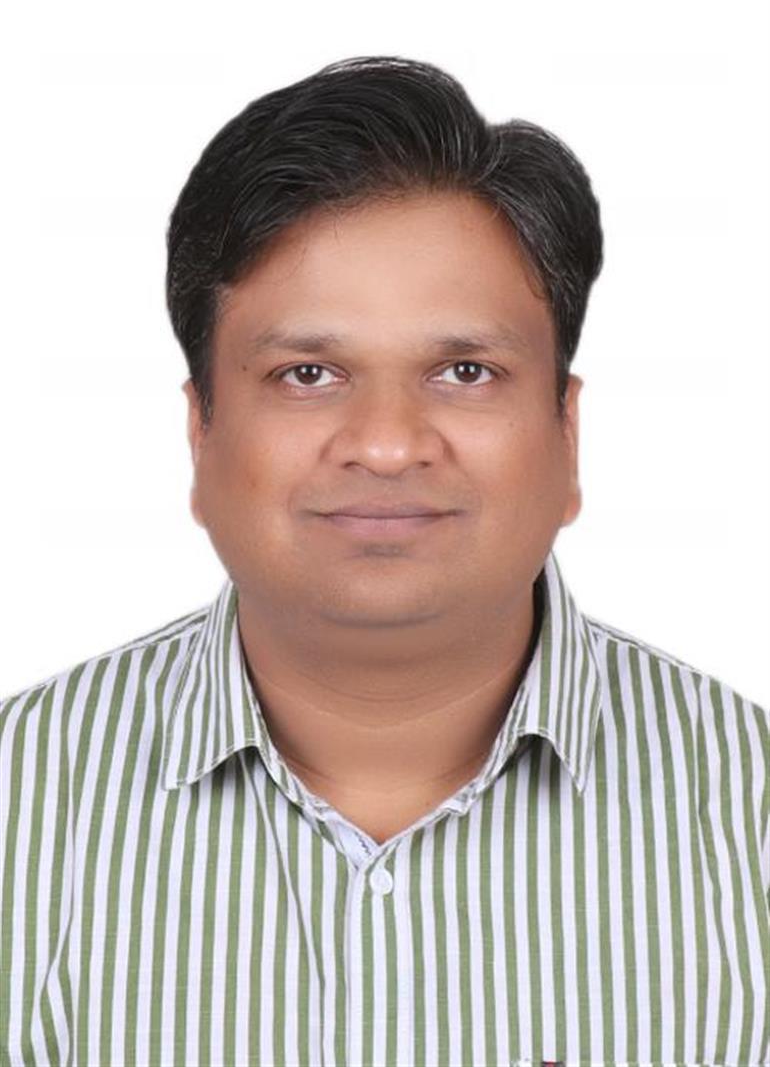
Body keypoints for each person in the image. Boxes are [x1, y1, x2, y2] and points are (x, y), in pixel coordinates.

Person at [1, 55, 767, 1067]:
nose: (388, 444)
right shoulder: (20, 800)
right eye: (307, 373)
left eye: (465, 371)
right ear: (200, 433)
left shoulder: (747, 811)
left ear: (567, 432)